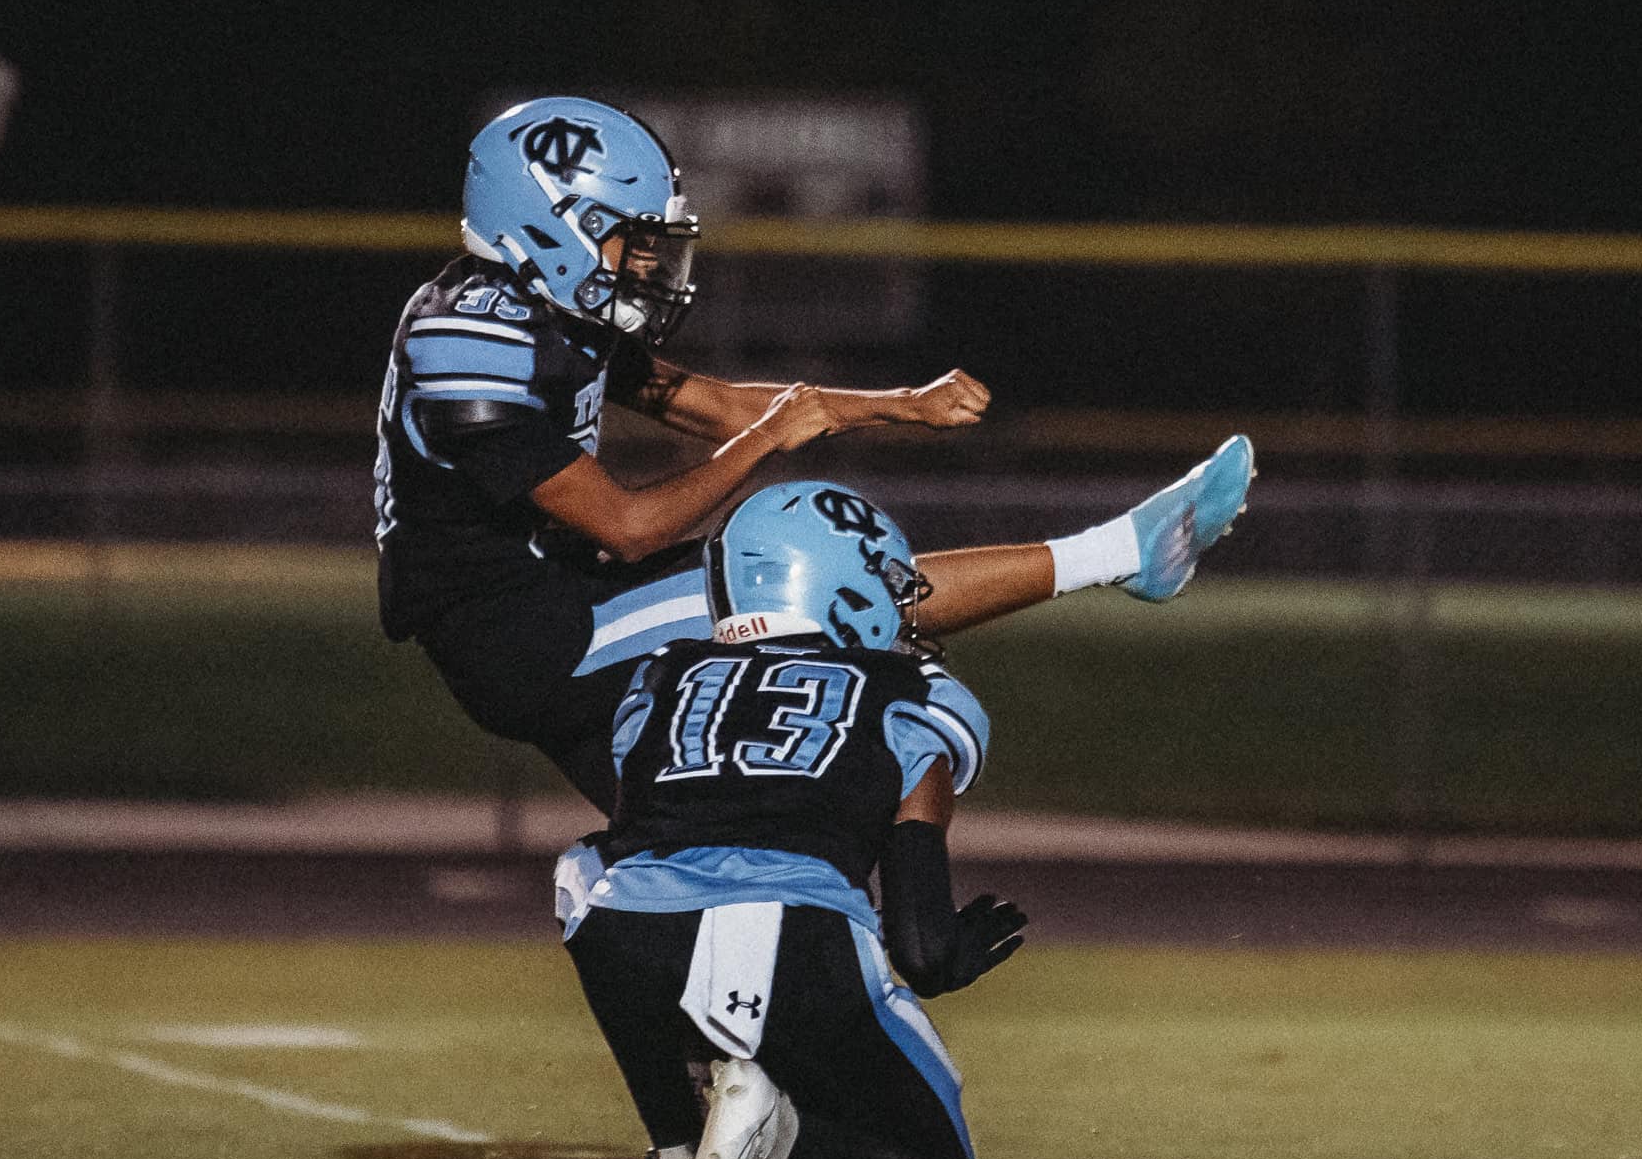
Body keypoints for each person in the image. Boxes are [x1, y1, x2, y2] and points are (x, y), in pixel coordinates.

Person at [374, 95, 1254, 813]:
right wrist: (773, 439)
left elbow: (709, 402)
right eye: (628, 240)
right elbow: (632, 526)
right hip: (528, 636)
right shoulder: (466, 347)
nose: (646, 264)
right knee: (820, 570)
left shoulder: (542, 310)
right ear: (552, 226)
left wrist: (887, 406)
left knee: (693, 848)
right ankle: (1122, 553)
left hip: (563, 602)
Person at [564, 479, 1021, 1159]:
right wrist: (955, 950)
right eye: (889, 583)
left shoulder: (657, 678)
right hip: (799, 943)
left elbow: (644, 825)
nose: (904, 606)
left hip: (635, 938)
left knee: (580, 874)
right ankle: (774, 1130)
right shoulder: (911, 694)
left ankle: (677, 1152)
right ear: (837, 580)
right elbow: (922, 946)